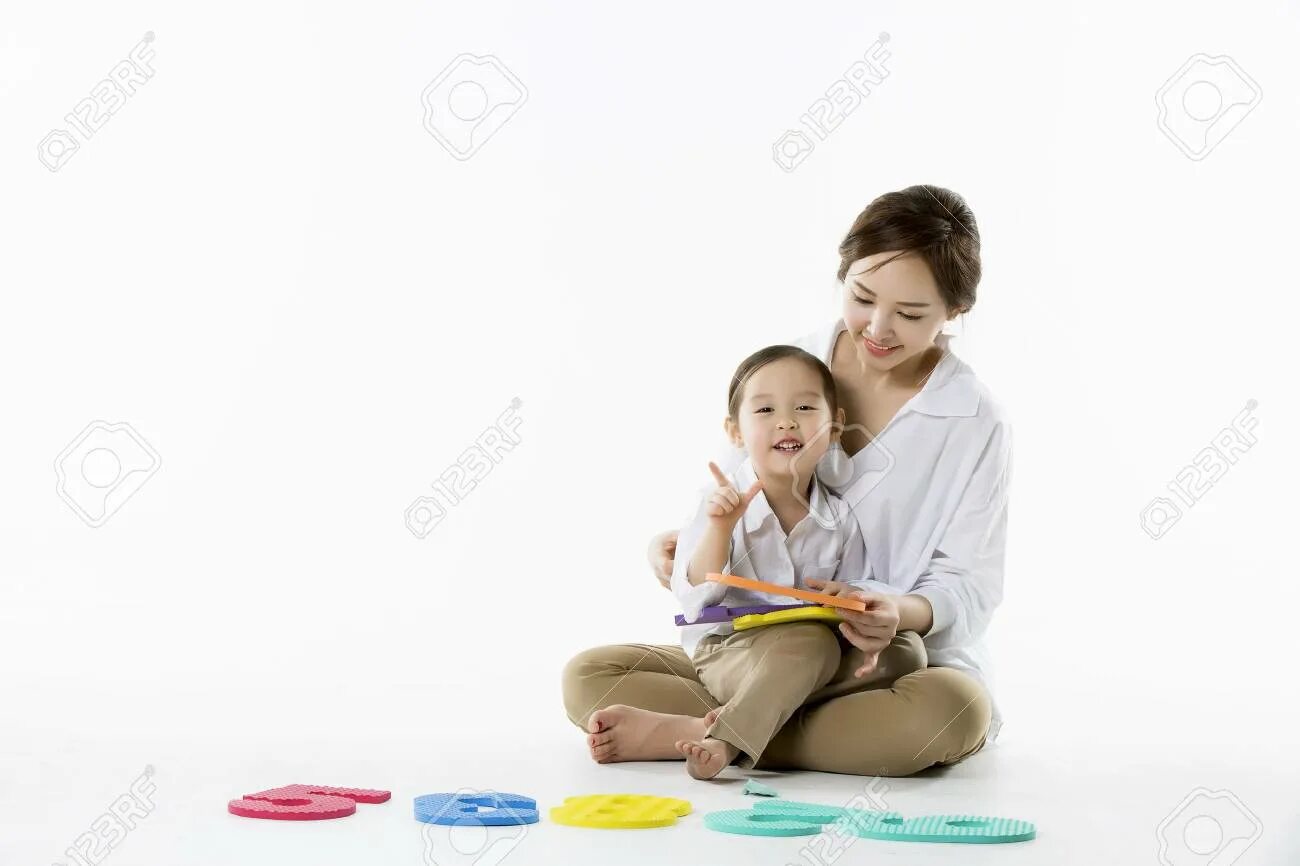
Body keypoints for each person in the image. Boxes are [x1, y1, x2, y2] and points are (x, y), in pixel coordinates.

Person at [561, 184, 1011, 777]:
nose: (876, 328)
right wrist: (683, 545)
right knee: (587, 677)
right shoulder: (788, 367)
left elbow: (969, 585)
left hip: (879, 668)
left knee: (956, 711)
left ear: (955, 311)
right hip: (755, 647)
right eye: (862, 297)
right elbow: (737, 495)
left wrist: (898, 611)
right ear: (843, 274)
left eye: (909, 314)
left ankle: (705, 731)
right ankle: (761, 726)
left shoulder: (973, 419)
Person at [669, 345, 927, 780]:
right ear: (735, 431)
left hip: (813, 654)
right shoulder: (720, 506)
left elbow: (859, 589)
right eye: (765, 409)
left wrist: (856, 605)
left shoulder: (841, 517)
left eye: (805, 408)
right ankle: (728, 740)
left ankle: (736, 717)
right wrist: (720, 527)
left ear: (835, 426)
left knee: (908, 651)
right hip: (732, 652)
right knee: (810, 644)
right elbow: (694, 595)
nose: (786, 421)